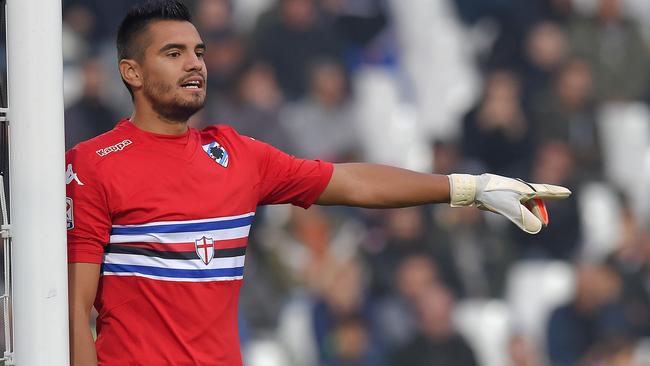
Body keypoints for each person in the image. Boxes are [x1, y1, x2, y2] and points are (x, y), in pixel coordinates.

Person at [66, 1, 571, 365]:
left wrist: (470, 188)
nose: (195, 63)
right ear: (131, 71)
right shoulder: (94, 165)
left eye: (198, 51)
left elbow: (353, 184)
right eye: (173, 53)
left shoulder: (239, 155)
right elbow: (74, 306)